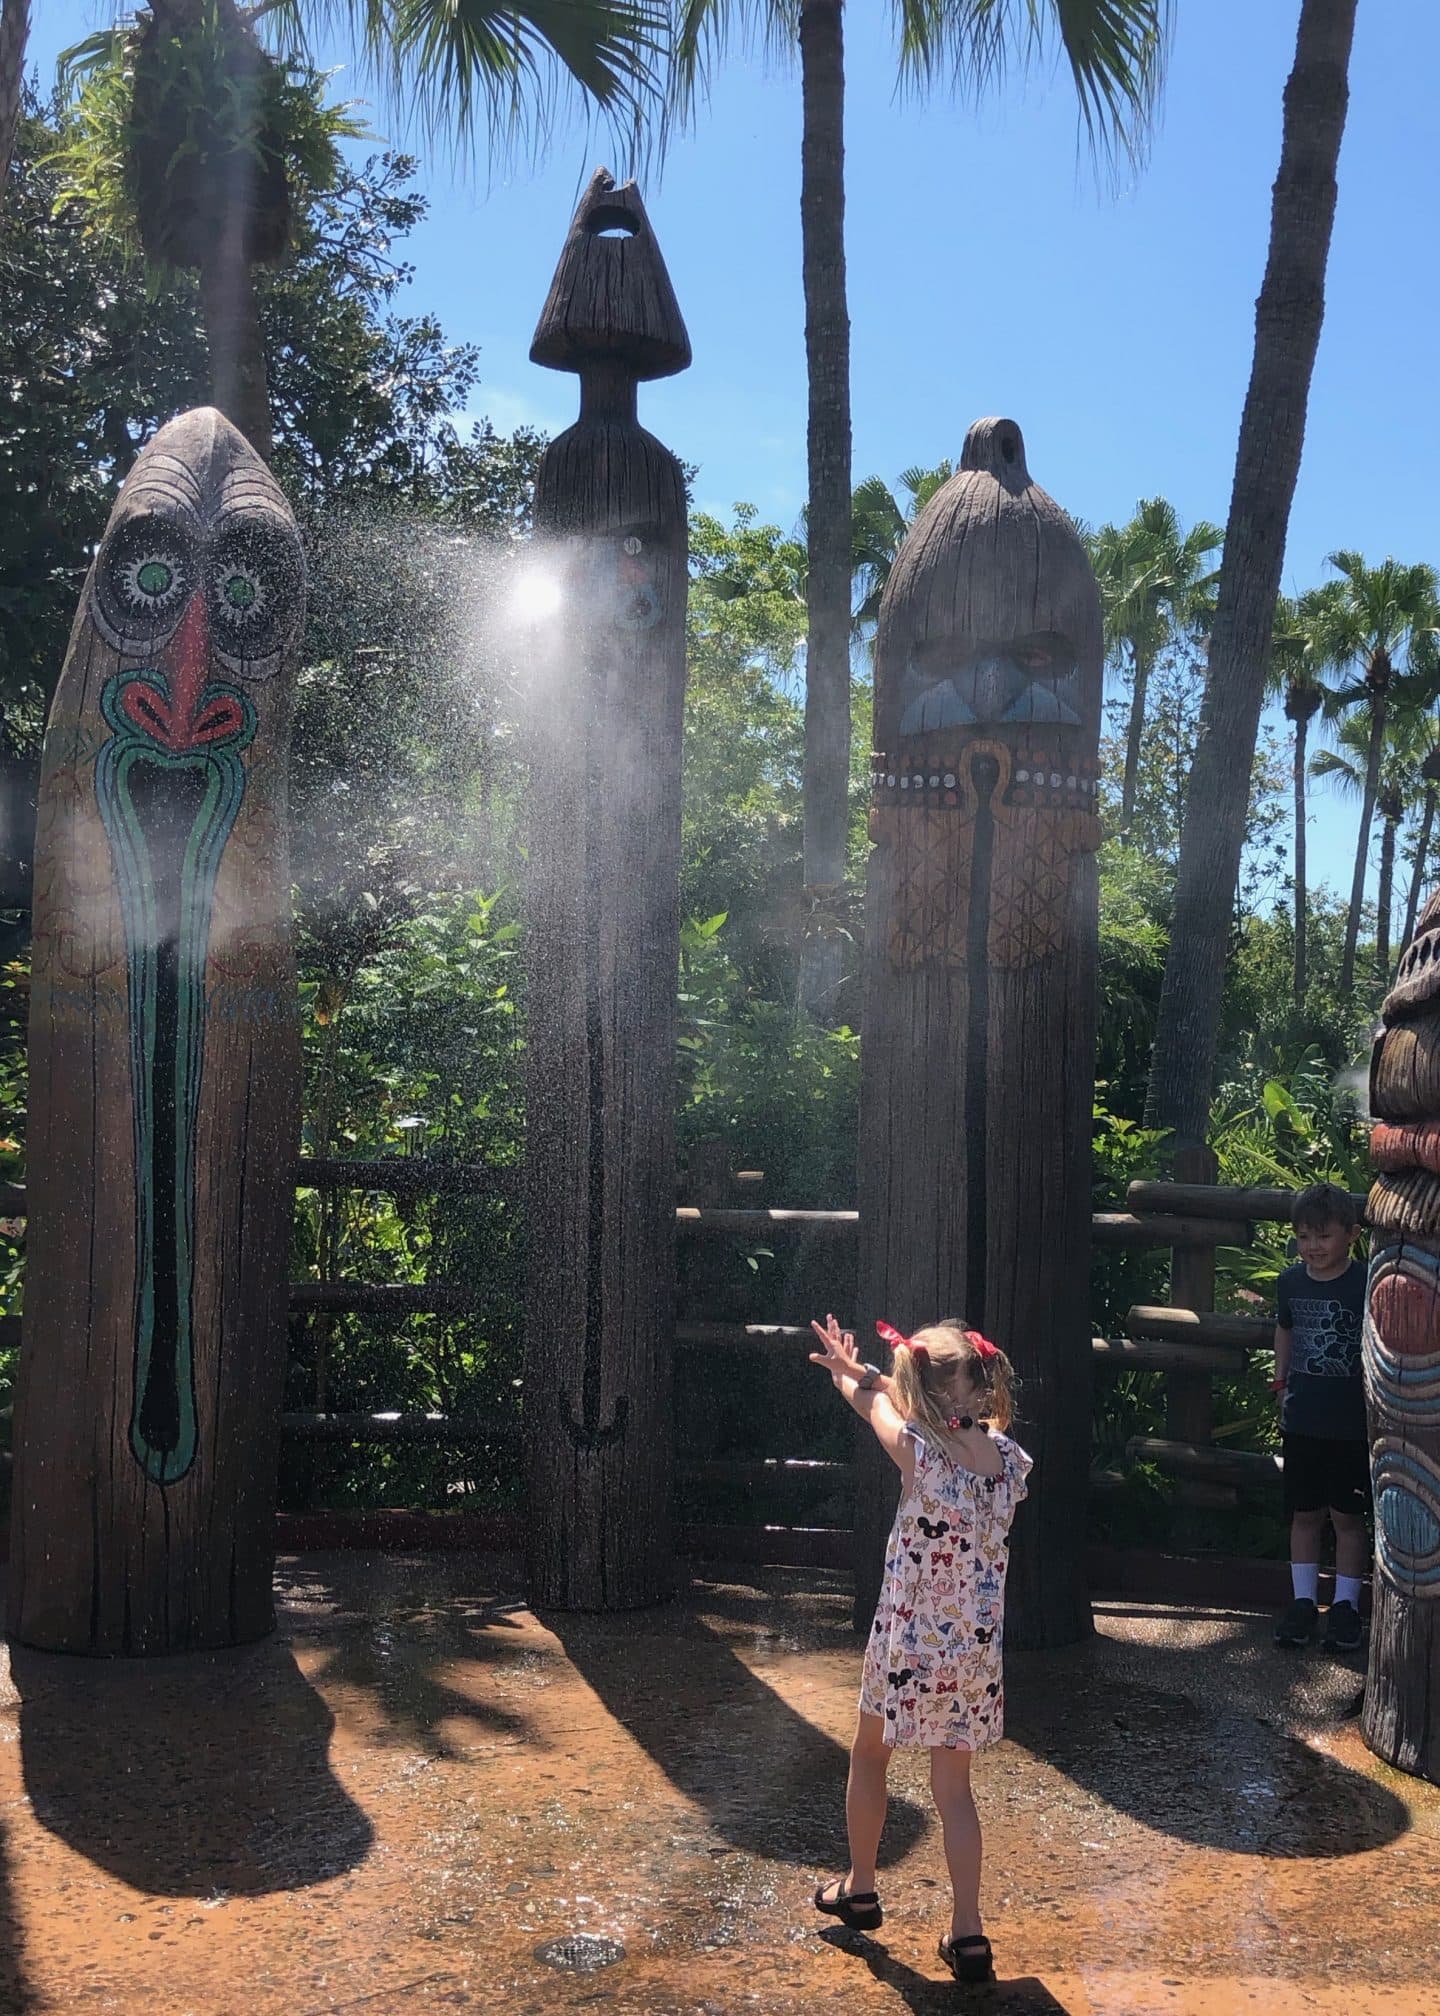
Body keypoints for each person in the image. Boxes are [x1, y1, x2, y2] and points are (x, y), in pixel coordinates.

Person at [807, 1311, 1031, 1986]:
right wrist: (883, 1374)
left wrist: (852, 1374)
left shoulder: (919, 1452)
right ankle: (968, 1934)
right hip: (972, 1653)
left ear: (926, 1393)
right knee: (954, 1792)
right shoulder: (1009, 1460)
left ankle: (862, 1886)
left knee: (870, 1752)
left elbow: (873, 1402)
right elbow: (908, 1400)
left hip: (907, 1642)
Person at [1271, 1182, 1370, 1653]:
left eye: (1323, 1237)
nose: (1313, 1247)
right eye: (1304, 1237)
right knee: (1305, 1514)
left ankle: (1347, 1604)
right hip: (1304, 1418)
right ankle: (1305, 1601)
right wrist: (1280, 1382)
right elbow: (1284, 1330)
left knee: (1348, 1517)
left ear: (1350, 1234)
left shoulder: (1366, 1282)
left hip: (1352, 1421)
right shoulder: (1290, 1282)